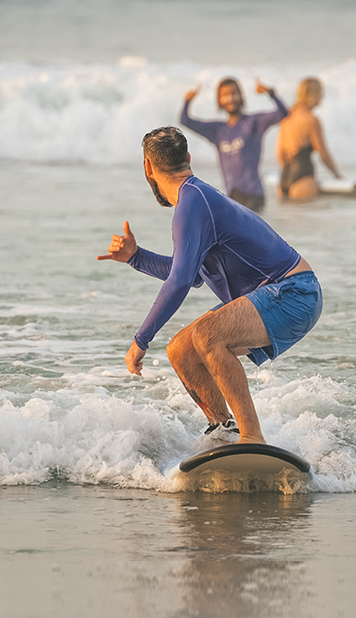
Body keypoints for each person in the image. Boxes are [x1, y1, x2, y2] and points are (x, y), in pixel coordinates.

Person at [97, 126, 322, 445]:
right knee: (181, 349)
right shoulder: (196, 201)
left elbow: (181, 281)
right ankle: (224, 431)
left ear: (147, 167)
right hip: (273, 296)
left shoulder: (194, 202)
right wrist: (136, 257)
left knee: (207, 336)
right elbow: (194, 275)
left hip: (294, 291)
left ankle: (252, 438)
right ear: (187, 158)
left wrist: (141, 340)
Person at [180, 77, 287, 213]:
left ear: (240, 96)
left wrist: (270, 93)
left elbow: (283, 113)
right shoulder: (218, 131)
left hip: (253, 195)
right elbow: (185, 121)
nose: (230, 98)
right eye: (225, 95)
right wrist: (187, 101)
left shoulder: (253, 123)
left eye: (234, 93)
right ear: (219, 100)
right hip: (232, 197)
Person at [277, 77, 343, 201]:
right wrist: (337, 174)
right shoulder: (311, 119)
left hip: (284, 179)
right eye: (321, 93)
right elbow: (323, 154)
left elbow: (279, 155)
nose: (322, 97)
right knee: (310, 218)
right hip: (303, 177)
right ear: (314, 94)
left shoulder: (286, 118)